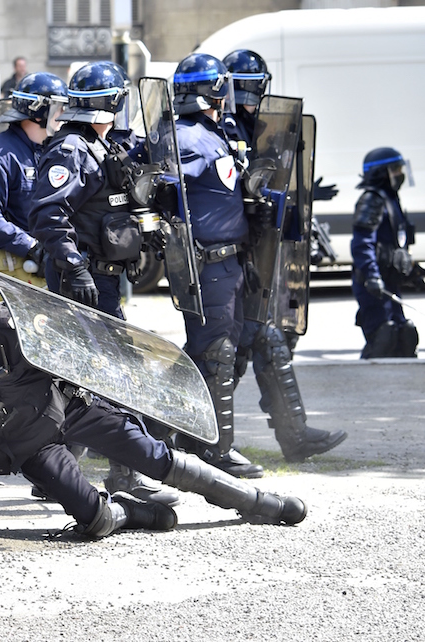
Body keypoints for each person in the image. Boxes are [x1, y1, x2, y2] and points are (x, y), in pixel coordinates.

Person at [0, 297, 307, 544]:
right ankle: (135, 513)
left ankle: (255, 501)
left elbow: (77, 347)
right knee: (93, 524)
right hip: (30, 444)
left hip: (71, 409)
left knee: (156, 458)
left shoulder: (4, 325)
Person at [28, 61, 178, 503]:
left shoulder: (103, 146)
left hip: (103, 279)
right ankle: (127, 475)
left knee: (78, 376)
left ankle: (53, 470)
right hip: (85, 281)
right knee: (117, 373)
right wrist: (74, 267)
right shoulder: (72, 150)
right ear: (109, 103)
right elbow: (47, 215)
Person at [221, 49, 348, 462]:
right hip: (225, 259)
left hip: (253, 256)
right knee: (225, 357)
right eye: (250, 86)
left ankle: (294, 437)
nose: (257, 95)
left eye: (260, 86)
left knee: (260, 344)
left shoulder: (255, 128)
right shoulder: (219, 130)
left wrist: (296, 199)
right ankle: (179, 433)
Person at [170, 53, 264, 478]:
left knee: (217, 349)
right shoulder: (185, 136)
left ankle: (181, 434)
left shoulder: (212, 132)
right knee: (215, 353)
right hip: (208, 263)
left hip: (229, 261)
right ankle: (217, 449)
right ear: (212, 91)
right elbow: (162, 185)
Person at [0, 71, 67, 294]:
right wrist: (30, 247)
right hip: (15, 274)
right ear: (39, 114)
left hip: (47, 265)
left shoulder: (52, 151)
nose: (63, 116)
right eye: (59, 108)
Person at [352, 147, 419, 358]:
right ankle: (366, 383)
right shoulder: (372, 200)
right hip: (373, 283)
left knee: (405, 336)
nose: (400, 175)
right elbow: (362, 243)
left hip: (390, 280)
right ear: (381, 173)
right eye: (395, 170)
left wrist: (413, 273)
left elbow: (397, 246)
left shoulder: (392, 200)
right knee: (384, 336)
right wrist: (372, 276)